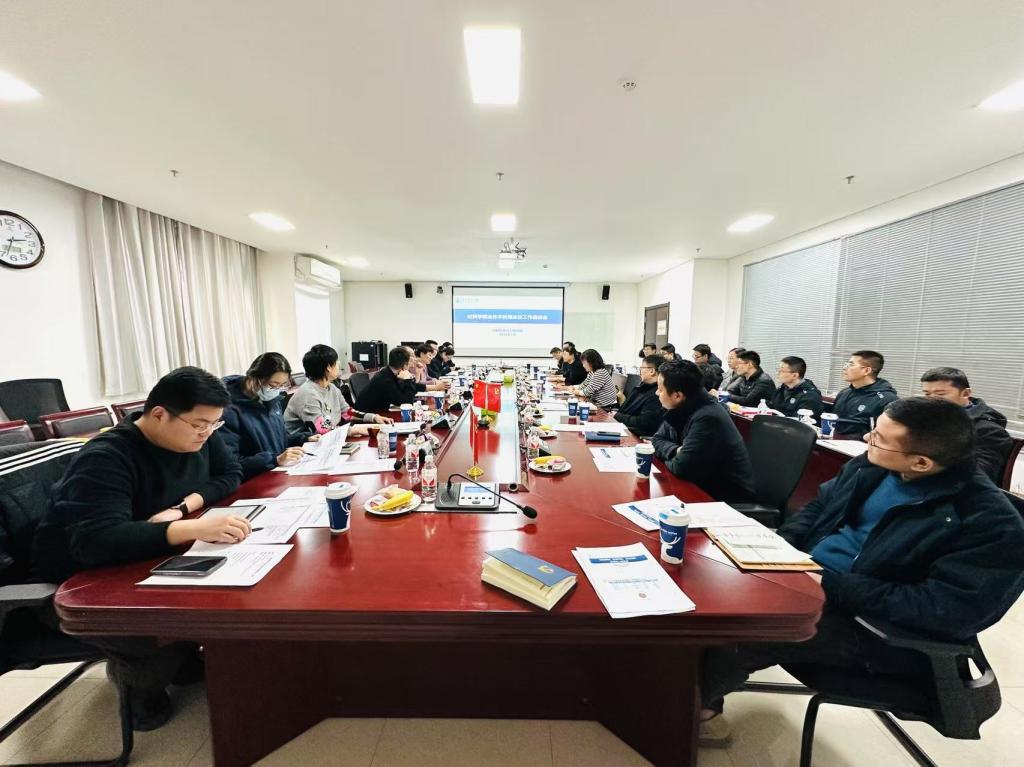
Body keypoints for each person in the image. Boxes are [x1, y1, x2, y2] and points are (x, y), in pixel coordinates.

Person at [698, 397, 1024, 746]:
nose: (867, 440)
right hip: (809, 580)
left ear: (921, 462)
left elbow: (944, 610)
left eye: (879, 438)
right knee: (707, 594)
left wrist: (831, 584)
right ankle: (687, 691)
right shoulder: (872, 466)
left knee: (741, 628)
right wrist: (780, 548)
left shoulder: (991, 523)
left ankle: (697, 714)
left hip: (876, 630)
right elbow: (819, 507)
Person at [31, 367, 252, 731]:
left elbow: (230, 474)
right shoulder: (107, 456)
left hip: (148, 556)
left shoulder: (199, 435)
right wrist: (190, 527)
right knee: (158, 642)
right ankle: (140, 686)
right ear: (160, 414)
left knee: (229, 598)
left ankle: (180, 658)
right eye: (200, 424)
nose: (207, 433)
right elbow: (97, 541)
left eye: (215, 424)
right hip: (87, 578)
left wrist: (181, 509)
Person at [651, 361, 756, 502]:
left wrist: (669, 455)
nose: (657, 393)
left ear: (677, 396)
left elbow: (681, 468)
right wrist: (675, 451)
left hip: (723, 499)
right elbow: (657, 439)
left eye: (660, 389)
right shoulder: (681, 407)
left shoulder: (708, 417)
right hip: (699, 486)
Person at [219, 353, 311, 479]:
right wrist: (274, 459)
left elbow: (278, 438)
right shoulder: (227, 410)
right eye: (273, 385)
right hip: (252, 481)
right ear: (253, 378)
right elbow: (230, 464)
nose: (277, 390)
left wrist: (303, 438)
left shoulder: (272, 400)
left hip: (277, 474)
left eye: (282, 385)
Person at [920, 367, 1014, 485]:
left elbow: (978, 476)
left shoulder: (989, 431)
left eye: (940, 394)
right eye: (927, 394)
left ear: (966, 393)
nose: (931, 400)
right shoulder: (927, 418)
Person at [284, 344, 392, 438]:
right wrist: (353, 430)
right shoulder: (308, 394)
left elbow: (347, 413)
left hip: (329, 439)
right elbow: (322, 428)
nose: (339, 364)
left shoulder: (332, 388)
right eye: (336, 362)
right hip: (303, 448)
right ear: (328, 367)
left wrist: (373, 417)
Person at [354, 346, 448, 413]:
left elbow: (414, 387)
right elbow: (407, 403)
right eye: (410, 358)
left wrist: (435, 387)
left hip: (379, 413)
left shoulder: (391, 372)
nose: (414, 360)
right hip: (369, 418)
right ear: (404, 364)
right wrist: (407, 380)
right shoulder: (385, 379)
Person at [828, 350, 898, 439]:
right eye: (846, 364)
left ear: (866, 370)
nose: (844, 368)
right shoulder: (844, 392)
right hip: (833, 441)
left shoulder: (886, 399)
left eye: (851, 365)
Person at [615, 354, 666, 435]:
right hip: (621, 425)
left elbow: (644, 422)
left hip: (632, 433)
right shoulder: (642, 387)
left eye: (642, 368)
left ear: (652, 371)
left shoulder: (656, 394)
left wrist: (617, 416)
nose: (640, 371)